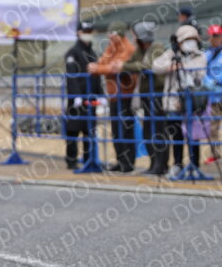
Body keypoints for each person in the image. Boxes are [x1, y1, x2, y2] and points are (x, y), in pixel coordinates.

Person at [152, 24, 207, 177]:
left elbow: (199, 72)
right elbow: (156, 66)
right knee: (176, 134)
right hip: (174, 101)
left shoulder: (200, 55)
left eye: (193, 39)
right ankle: (177, 164)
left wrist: (182, 65)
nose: (190, 42)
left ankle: (194, 165)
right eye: (186, 40)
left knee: (193, 134)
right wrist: (171, 66)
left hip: (193, 101)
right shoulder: (172, 54)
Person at [88, 21, 135, 172]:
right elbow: (103, 62)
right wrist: (100, 67)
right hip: (114, 95)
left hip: (125, 95)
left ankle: (128, 162)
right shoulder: (111, 47)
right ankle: (120, 160)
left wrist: (98, 68)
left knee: (126, 129)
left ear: (119, 35)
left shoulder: (128, 48)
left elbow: (114, 67)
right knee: (116, 130)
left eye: (112, 34)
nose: (109, 37)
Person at [122, 23, 166, 175]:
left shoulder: (157, 47)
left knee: (159, 130)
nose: (134, 37)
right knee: (147, 130)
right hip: (146, 95)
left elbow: (147, 65)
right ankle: (153, 163)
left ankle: (161, 164)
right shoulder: (140, 50)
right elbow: (131, 63)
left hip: (158, 93)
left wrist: (127, 66)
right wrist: (128, 65)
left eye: (135, 34)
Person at [64, 20, 102, 169]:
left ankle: (88, 159)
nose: (88, 35)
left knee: (89, 130)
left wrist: (100, 94)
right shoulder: (72, 53)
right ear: (78, 33)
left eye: (90, 32)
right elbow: (71, 76)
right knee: (73, 130)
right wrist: (76, 96)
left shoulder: (92, 53)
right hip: (77, 100)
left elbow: (97, 75)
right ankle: (71, 160)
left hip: (90, 98)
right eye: (85, 32)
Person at [203, 24, 222, 163]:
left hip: (218, 91)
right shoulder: (207, 54)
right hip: (213, 97)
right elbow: (201, 71)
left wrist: (217, 81)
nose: (215, 38)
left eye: (217, 35)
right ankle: (216, 155)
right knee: (213, 127)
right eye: (213, 36)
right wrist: (208, 82)